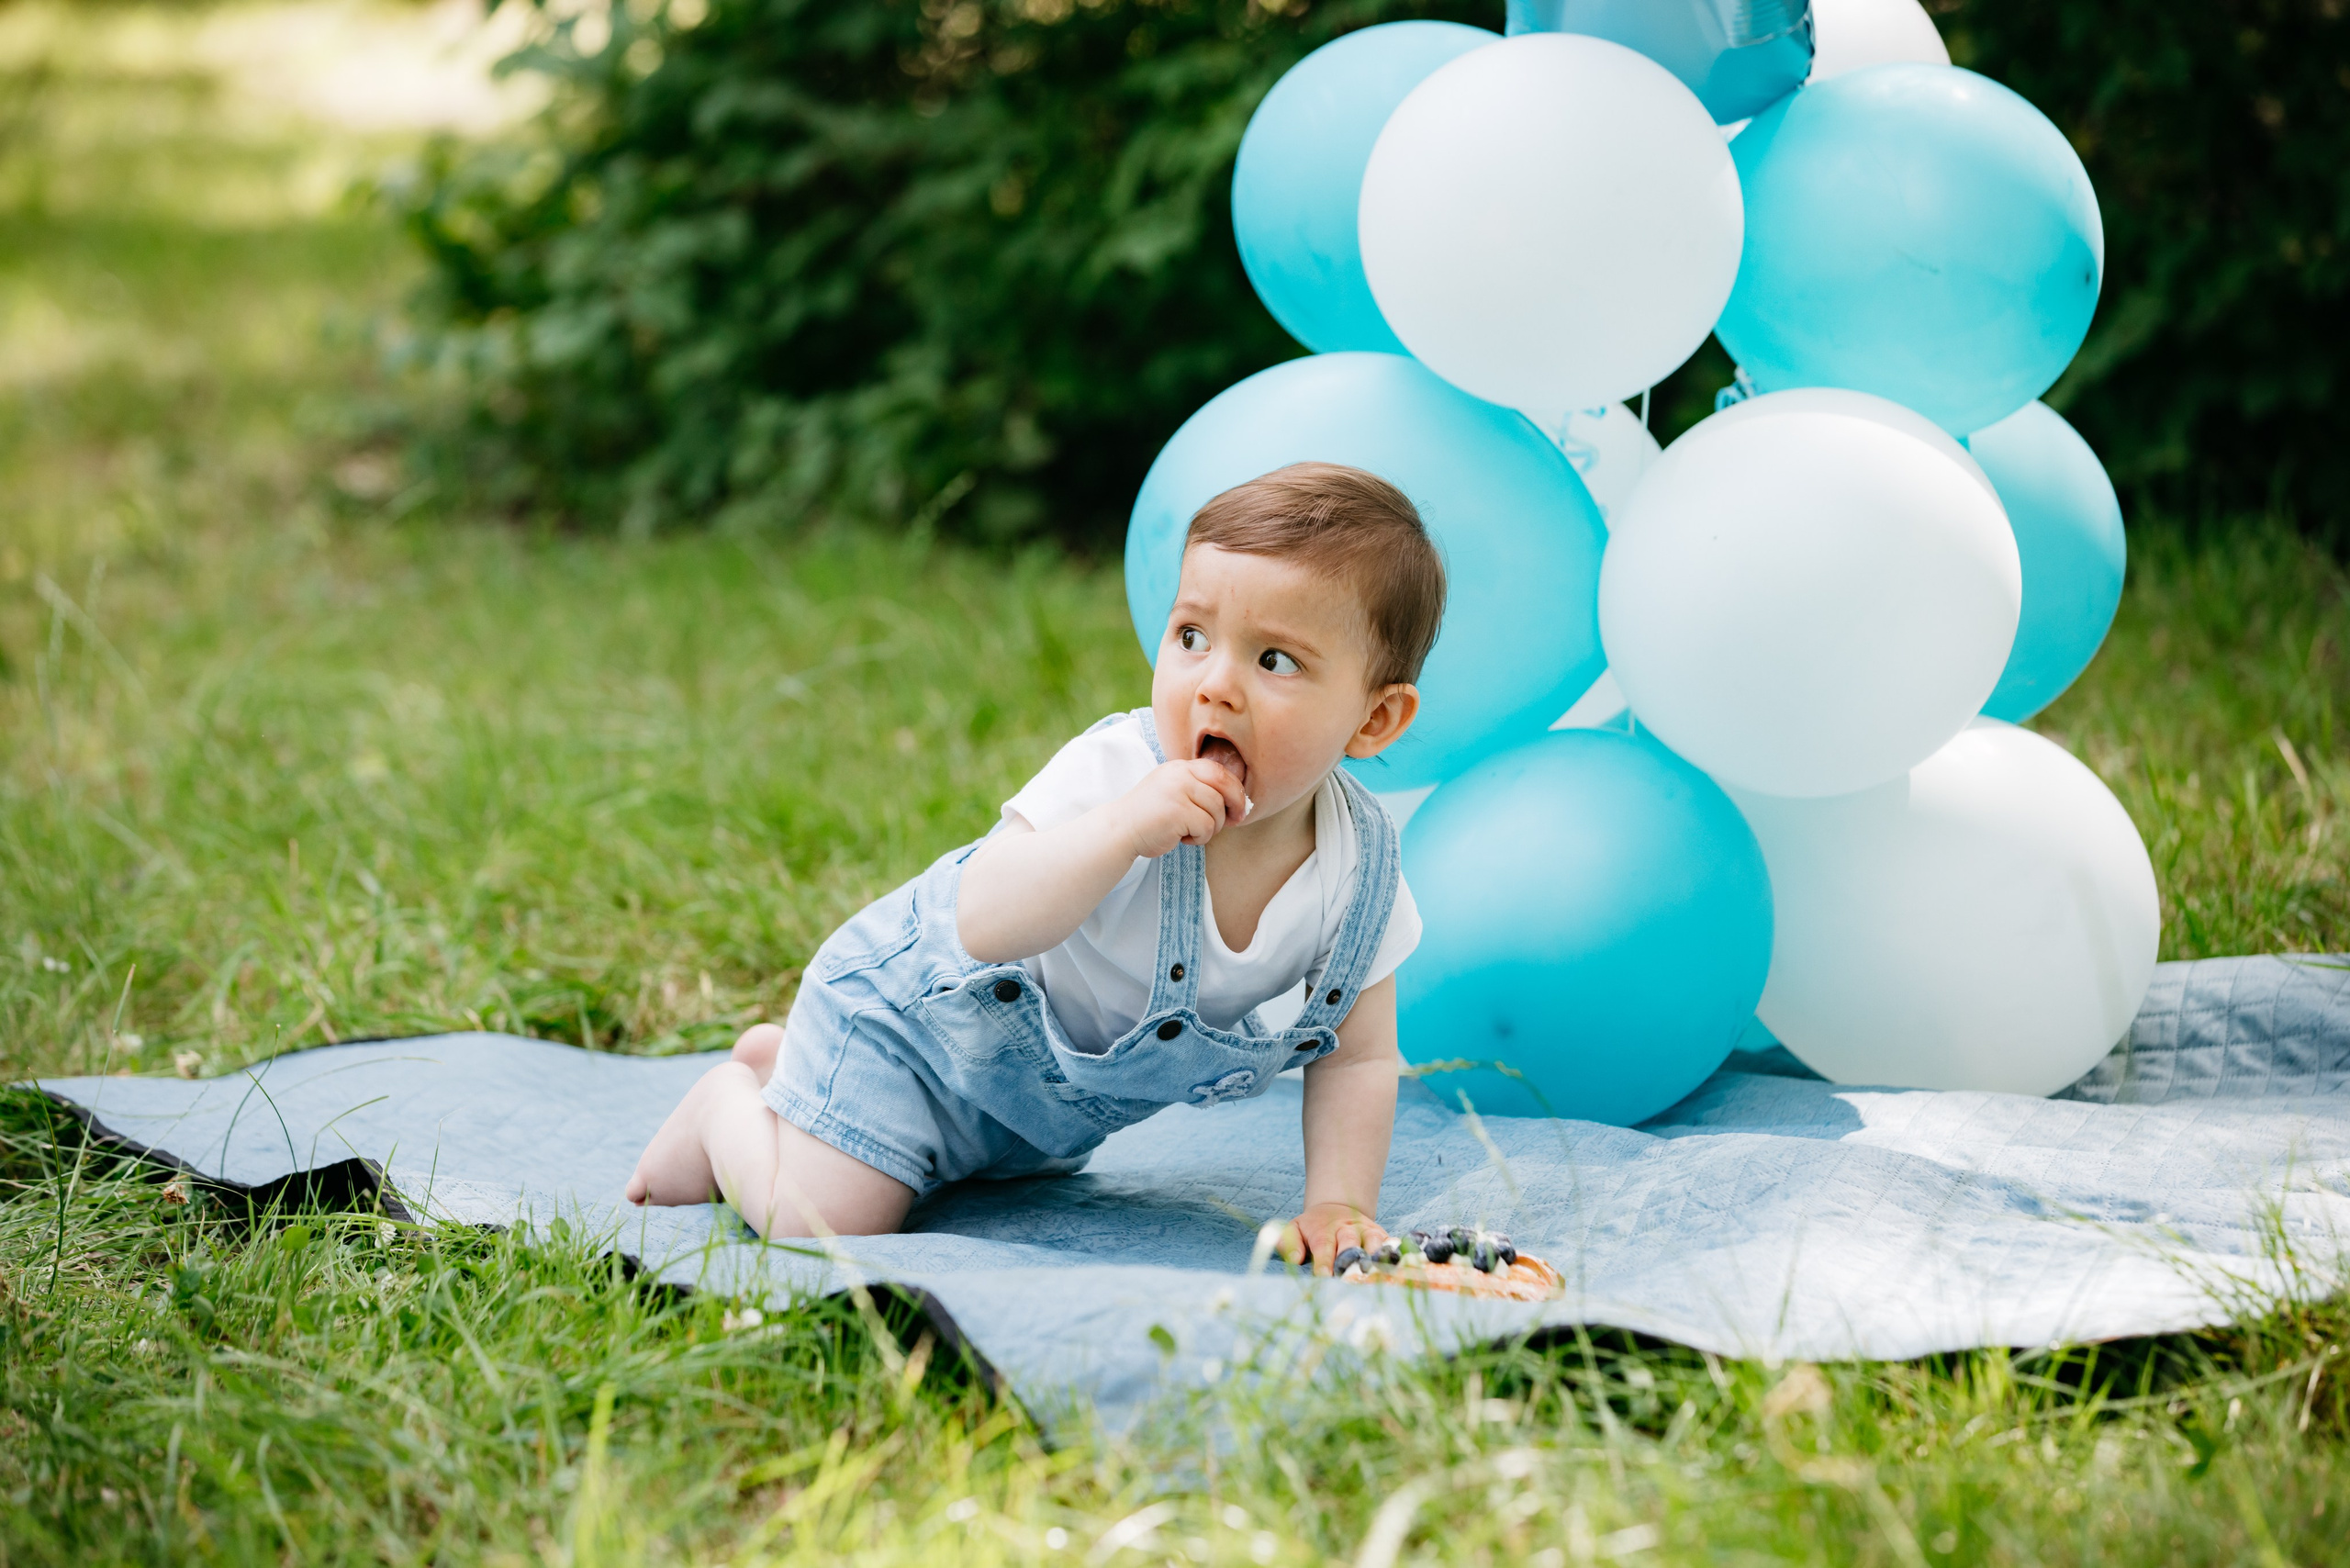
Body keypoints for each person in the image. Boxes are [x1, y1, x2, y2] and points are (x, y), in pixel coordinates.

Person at [626, 461, 1442, 1272]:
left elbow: (1359, 1055)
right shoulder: (1119, 772)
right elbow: (981, 922)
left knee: (986, 1185)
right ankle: (726, 1106)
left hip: (1028, 1121)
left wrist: (1339, 1204)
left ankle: (798, 1079)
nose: (1214, 687)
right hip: (910, 1027)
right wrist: (1122, 831)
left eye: (1275, 662)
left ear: (1374, 719)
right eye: (1191, 637)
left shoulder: (1357, 872)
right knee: (826, 1223)